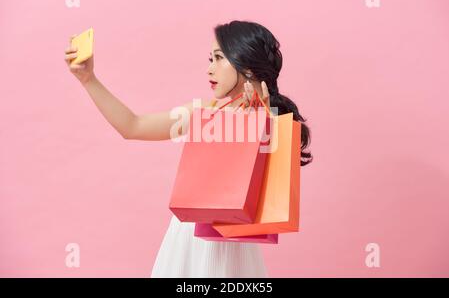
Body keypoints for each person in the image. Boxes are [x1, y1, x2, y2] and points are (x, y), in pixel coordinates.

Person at [64, 20, 312, 277]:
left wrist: (258, 119)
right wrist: (88, 79)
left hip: (234, 243)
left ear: (246, 64)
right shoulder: (203, 112)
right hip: (188, 239)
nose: (209, 70)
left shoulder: (272, 120)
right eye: (210, 59)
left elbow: (268, 189)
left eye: (218, 58)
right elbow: (133, 126)